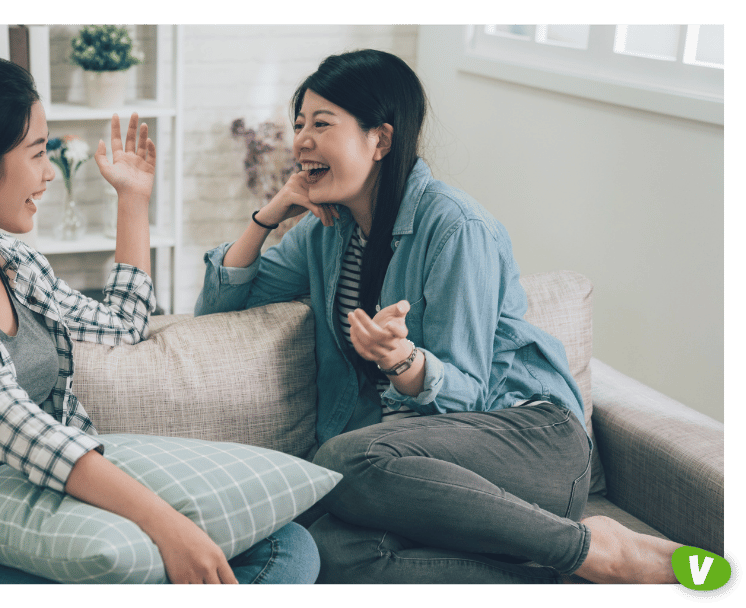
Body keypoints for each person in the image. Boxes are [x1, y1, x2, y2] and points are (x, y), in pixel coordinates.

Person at [195, 49, 683, 584]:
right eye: (299, 124)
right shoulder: (324, 232)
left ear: (380, 139)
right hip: (419, 468)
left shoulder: (456, 227)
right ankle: (559, 579)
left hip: (527, 441)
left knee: (345, 461)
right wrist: (266, 218)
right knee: (328, 554)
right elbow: (219, 308)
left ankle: (591, 551)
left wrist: (402, 361)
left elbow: (468, 393)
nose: (302, 140)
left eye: (321, 124)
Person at [0, 31, 319, 586]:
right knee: (146, 566)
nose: (49, 172)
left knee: (286, 547)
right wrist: (164, 523)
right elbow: (7, 420)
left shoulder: (13, 262)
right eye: (36, 153)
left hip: (33, 501)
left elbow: (125, 324)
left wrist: (133, 199)